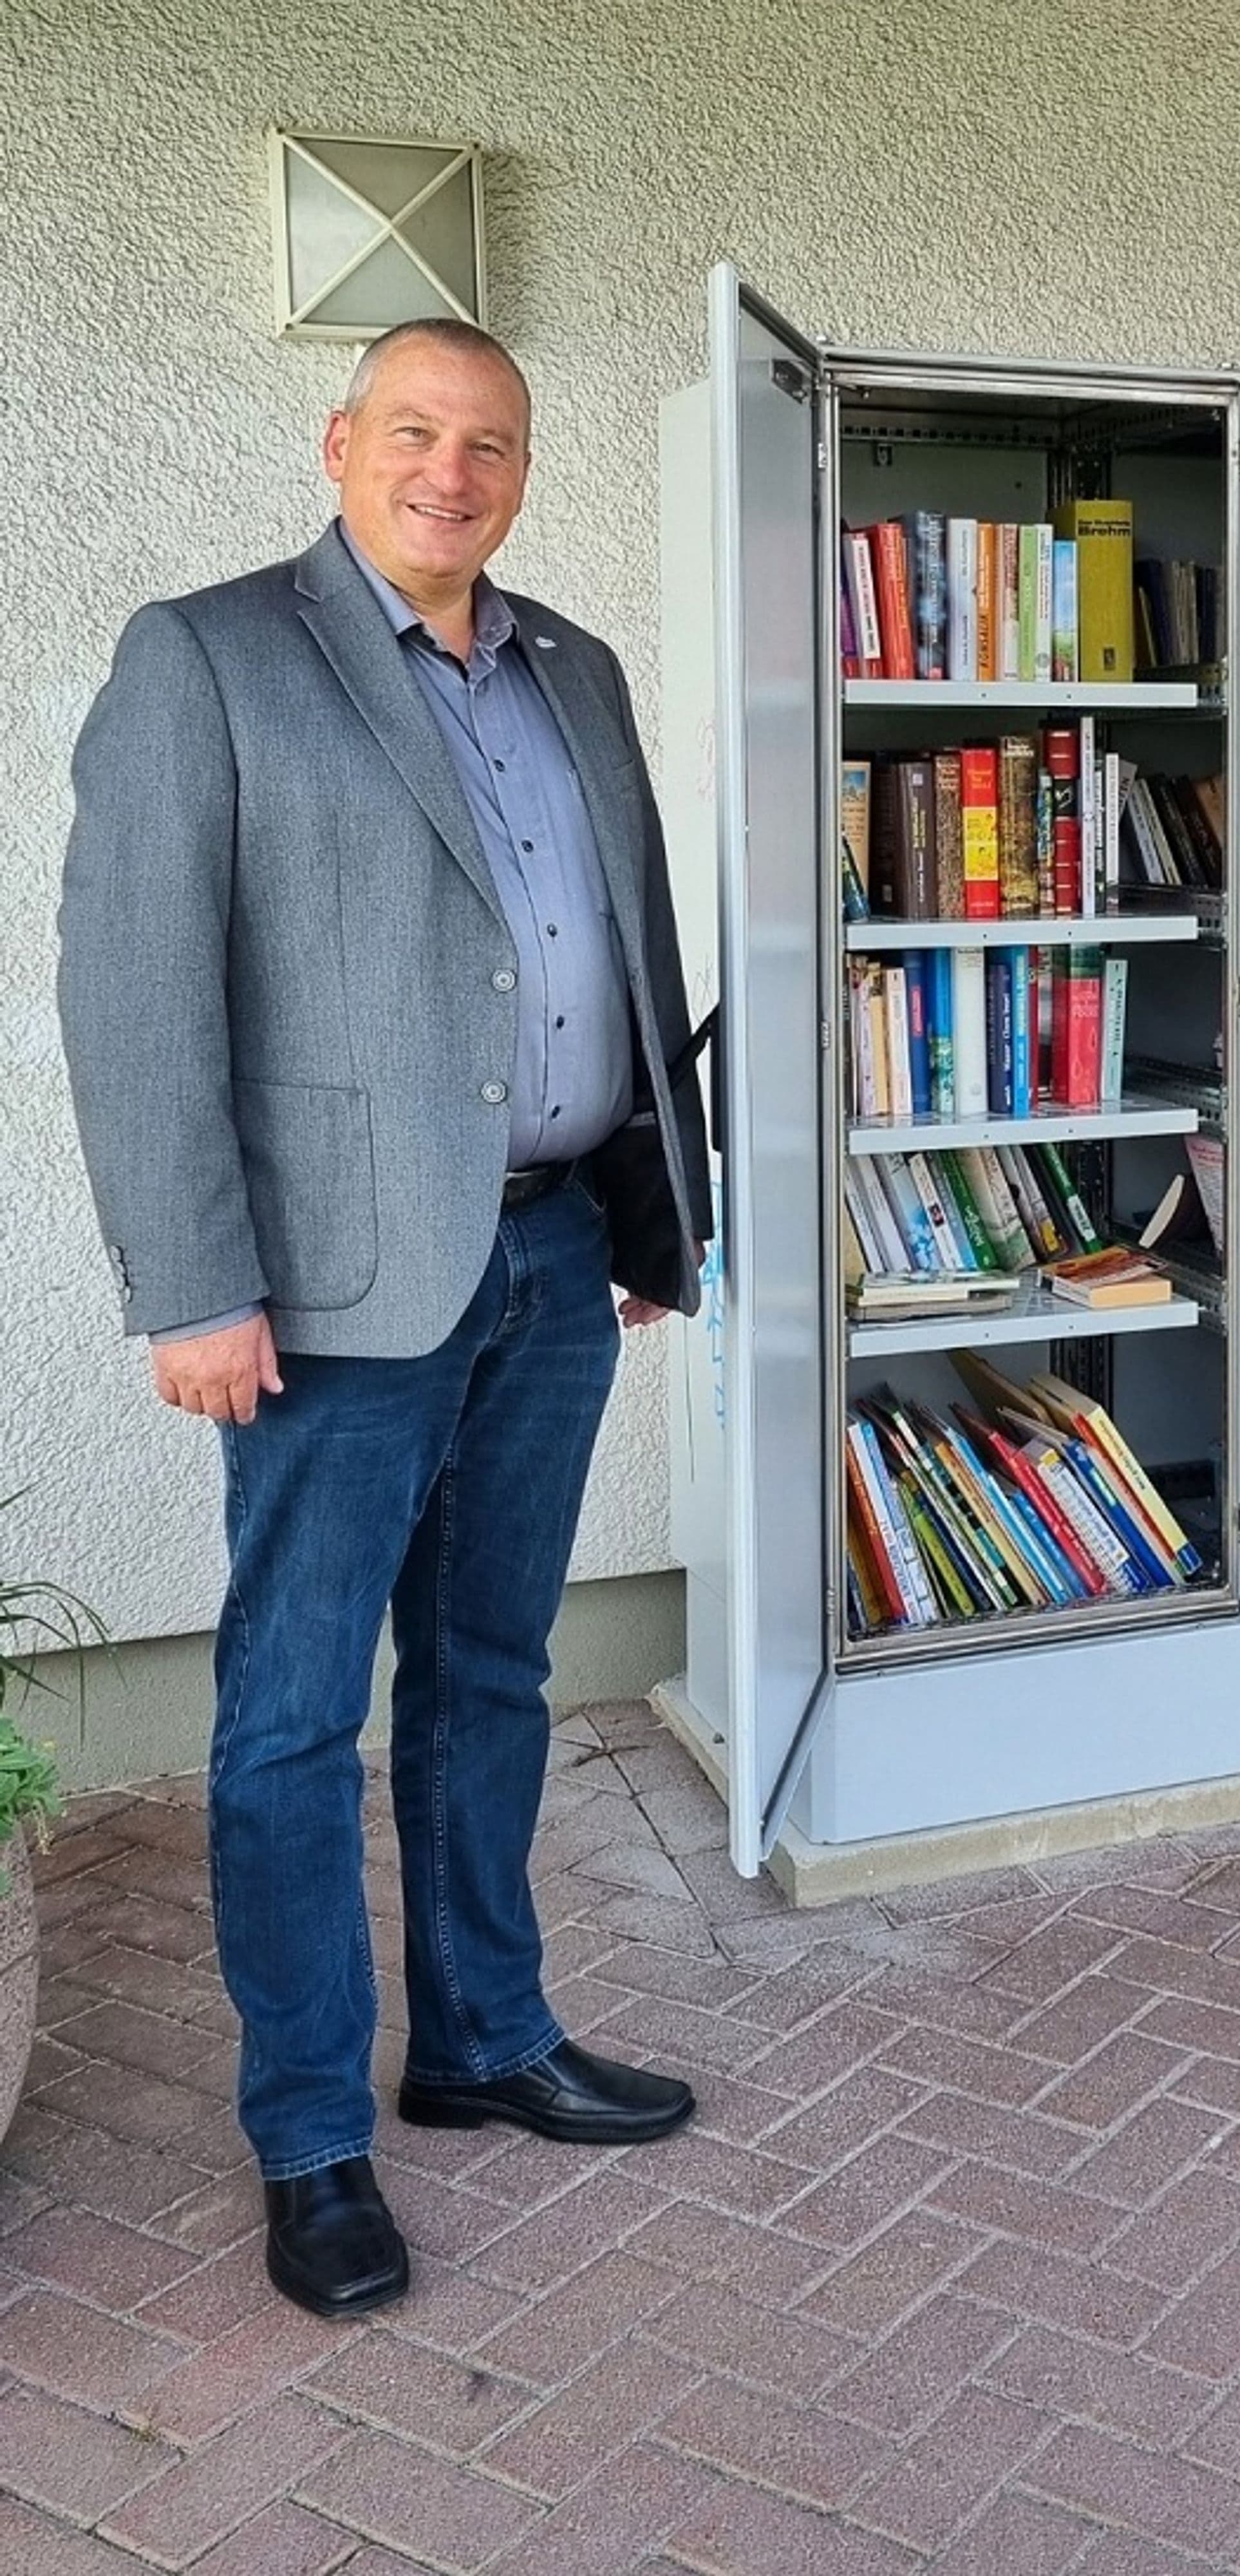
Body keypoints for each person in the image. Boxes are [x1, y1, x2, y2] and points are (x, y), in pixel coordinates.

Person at [56, 319, 714, 2316]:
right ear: (340, 445)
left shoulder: (573, 667)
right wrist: (194, 1285)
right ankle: (307, 2134)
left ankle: (485, 2038)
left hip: (550, 1259)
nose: (451, 471)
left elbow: (621, 947)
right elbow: (135, 990)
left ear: (523, 471)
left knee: (493, 1672)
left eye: (489, 442)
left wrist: (650, 1208)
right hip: (330, 1292)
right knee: (289, 1717)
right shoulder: (208, 657)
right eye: (415, 432)